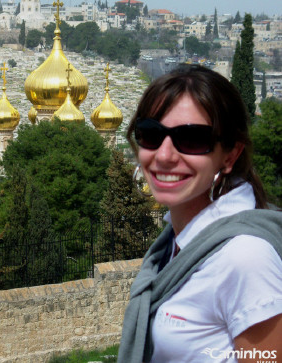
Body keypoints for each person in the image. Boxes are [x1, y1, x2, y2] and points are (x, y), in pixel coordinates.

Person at [117, 65, 282, 363]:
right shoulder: (178, 240)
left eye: (192, 139)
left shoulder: (245, 257)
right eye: (151, 135)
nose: (164, 156)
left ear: (230, 155)